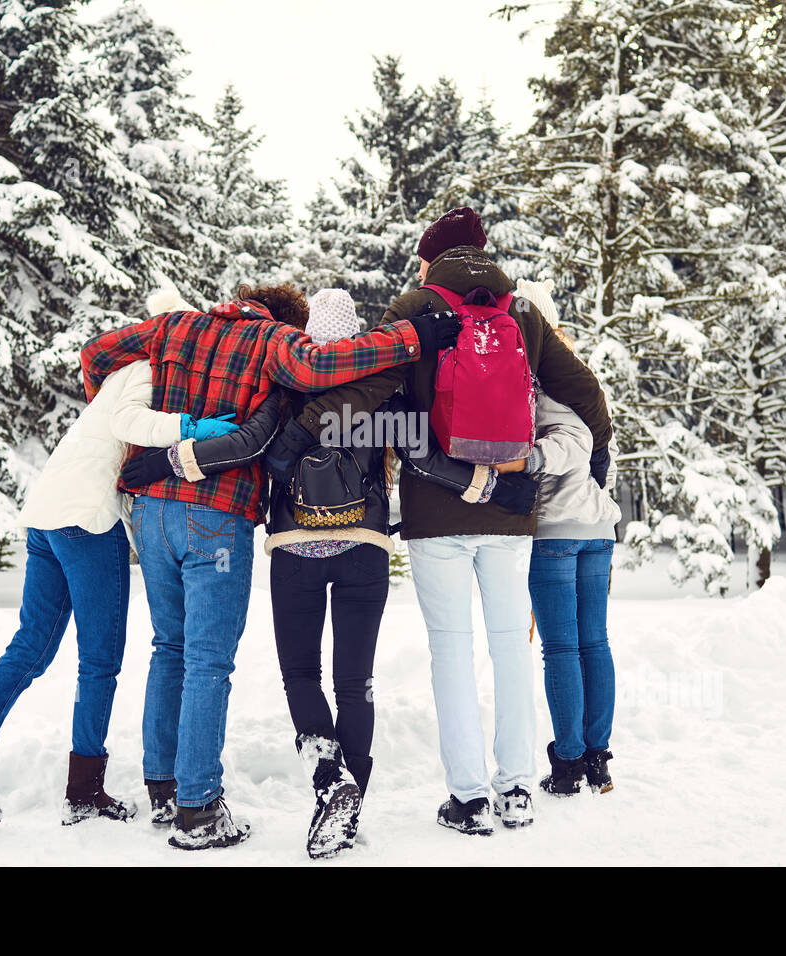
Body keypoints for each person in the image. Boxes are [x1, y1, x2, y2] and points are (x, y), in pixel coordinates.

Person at [123, 288, 536, 857]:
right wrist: (489, 486)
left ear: (310, 335)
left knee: (301, 676)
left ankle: (327, 780)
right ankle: (348, 803)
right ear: (358, 337)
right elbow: (421, 455)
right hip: (365, 547)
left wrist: (172, 459)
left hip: (295, 548)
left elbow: (249, 446)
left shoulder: (289, 389)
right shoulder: (384, 391)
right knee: (355, 682)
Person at [0, 286, 238, 826]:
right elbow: (129, 426)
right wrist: (192, 429)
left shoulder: (119, 376)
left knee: (33, 645)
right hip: (86, 521)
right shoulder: (146, 370)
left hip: (49, 513)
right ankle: (83, 789)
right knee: (100, 660)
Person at [375, 207, 615, 835]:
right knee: (511, 648)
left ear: (433, 259)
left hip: (435, 510)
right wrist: (599, 455)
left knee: (450, 653)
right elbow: (584, 391)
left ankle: (469, 799)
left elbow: (386, 404)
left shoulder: (412, 306)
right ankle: (516, 791)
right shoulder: (521, 311)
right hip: (511, 508)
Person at [514, 278, 622, 796]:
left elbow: (574, 444)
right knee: (592, 643)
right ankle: (596, 756)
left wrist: (528, 461)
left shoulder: (538, 374)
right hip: (597, 526)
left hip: (557, 527)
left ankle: (570, 763)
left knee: (562, 649)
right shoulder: (579, 375)